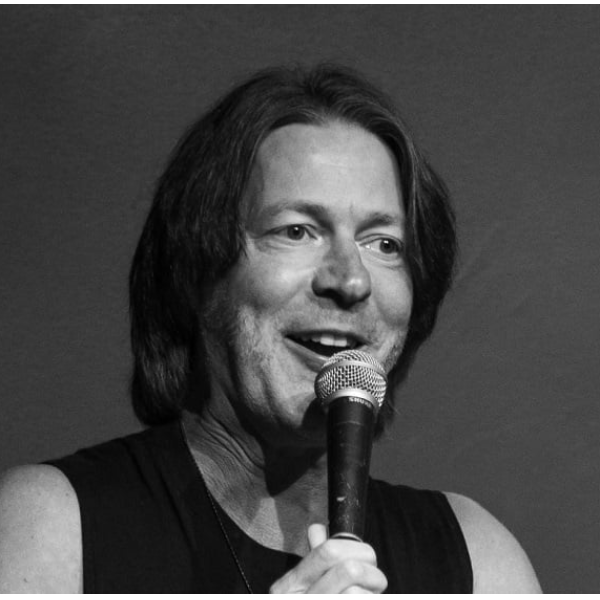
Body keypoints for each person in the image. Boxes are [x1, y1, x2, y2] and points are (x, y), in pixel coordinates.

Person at [0, 64, 542, 594]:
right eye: (297, 231)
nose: (350, 280)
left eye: (384, 243)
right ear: (196, 270)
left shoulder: (477, 562)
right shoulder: (49, 528)